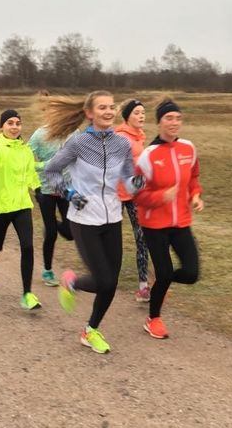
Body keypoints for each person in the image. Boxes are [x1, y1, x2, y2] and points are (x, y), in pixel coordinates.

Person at [42, 91, 143, 354]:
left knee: (111, 282)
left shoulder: (122, 144)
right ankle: (72, 283)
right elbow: (51, 171)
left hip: (112, 217)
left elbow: (128, 180)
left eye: (111, 107)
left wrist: (139, 183)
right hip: (84, 219)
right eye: (102, 107)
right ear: (90, 113)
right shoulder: (78, 143)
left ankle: (90, 330)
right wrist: (69, 194)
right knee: (104, 281)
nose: (108, 111)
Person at [133, 99, 204, 339]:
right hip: (154, 225)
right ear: (159, 123)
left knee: (191, 273)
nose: (174, 122)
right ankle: (153, 319)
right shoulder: (148, 156)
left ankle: (160, 283)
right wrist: (160, 197)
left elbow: (193, 177)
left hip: (181, 222)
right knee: (164, 272)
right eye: (169, 118)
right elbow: (137, 194)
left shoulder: (188, 148)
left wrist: (196, 195)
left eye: (178, 118)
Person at [0, 109, 43, 311]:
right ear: (1, 126)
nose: (14, 127)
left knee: (27, 246)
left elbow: (30, 173)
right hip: (0, 206)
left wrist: (37, 189)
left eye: (17, 123)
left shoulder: (25, 149)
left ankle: (27, 294)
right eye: (10, 123)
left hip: (22, 205)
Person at [28, 122, 74, 287]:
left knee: (70, 233)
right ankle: (47, 271)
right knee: (51, 233)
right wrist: (44, 166)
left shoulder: (73, 132)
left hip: (65, 189)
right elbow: (25, 162)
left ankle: (52, 225)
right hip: (45, 190)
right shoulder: (39, 134)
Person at [114, 98, 151, 303]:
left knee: (142, 238)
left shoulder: (139, 136)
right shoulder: (120, 137)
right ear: (128, 116)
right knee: (112, 239)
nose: (141, 116)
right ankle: (105, 275)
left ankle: (143, 286)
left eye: (143, 112)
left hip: (135, 195)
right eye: (137, 113)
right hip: (116, 195)